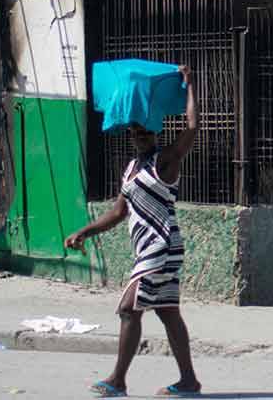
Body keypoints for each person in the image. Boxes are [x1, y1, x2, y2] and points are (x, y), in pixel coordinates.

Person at [66, 65, 202, 398]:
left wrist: (191, 86)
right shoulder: (130, 169)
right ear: (130, 135)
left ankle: (117, 380)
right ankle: (189, 381)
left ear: (154, 132)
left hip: (162, 245)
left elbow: (193, 127)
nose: (140, 136)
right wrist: (84, 231)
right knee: (168, 312)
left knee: (129, 309)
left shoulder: (165, 160)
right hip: (150, 249)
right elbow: (117, 212)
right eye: (135, 132)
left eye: (145, 132)